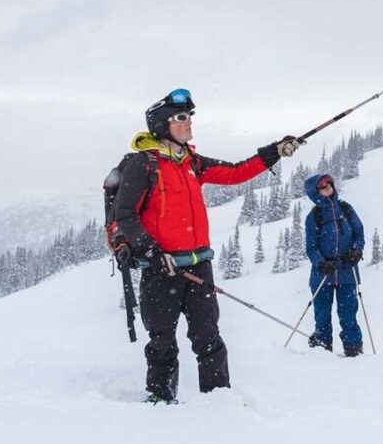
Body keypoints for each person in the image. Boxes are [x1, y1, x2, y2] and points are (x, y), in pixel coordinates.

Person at [108, 88, 300, 403]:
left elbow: (237, 172)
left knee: (209, 339)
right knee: (162, 342)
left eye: (190, 118)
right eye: (182, 118)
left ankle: (218, 402)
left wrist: (275, 151)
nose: (189, 124)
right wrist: (151, 252)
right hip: (161, 270)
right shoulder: (143, 165)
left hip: (198, 266)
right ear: (162, 124)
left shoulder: (193, 163)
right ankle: (159, 402)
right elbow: (125, 216)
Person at [303, 173, 367, 355]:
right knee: (322, 317)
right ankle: (322, 351)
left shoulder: (346, 209)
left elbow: (359, 233)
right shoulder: (313, 217)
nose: (327, 188)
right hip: (322, 275)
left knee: (349, 315)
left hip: (347, 272)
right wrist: (321, 263)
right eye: (321, 186)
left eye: (328, 184)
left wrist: (356, 250)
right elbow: (311, 247)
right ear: (314, 193)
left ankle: (354, 351)